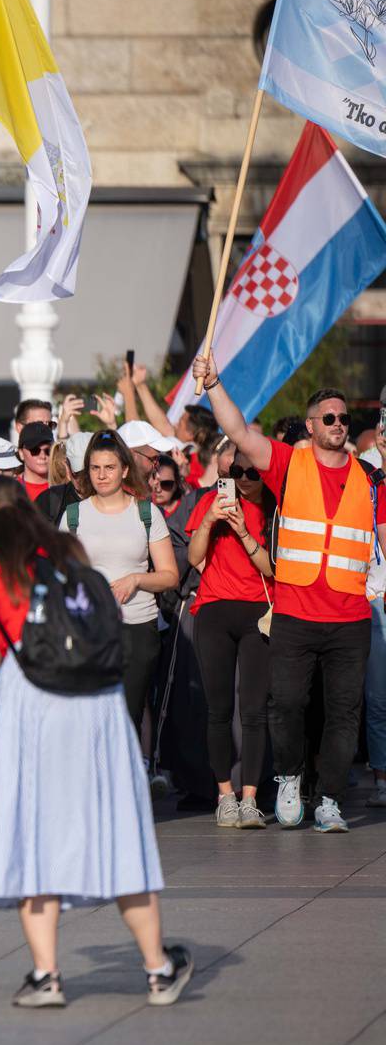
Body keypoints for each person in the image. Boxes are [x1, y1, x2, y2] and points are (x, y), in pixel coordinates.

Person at [0, 476, 193, 1009]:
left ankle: (47, 975)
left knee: (34, 835)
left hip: (33, 706)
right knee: (118, 833)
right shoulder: (70, 552)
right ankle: (158, 968)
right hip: (99, 706)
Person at [196, 353, 386, 831]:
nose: (339, 424)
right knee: (285, 705)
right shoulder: (288, 464)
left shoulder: (370, 481)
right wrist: (215, 384)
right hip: (296, 612)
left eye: (345, 418)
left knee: (345, 713)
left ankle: (330, 801)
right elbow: (239, 433)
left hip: (350, 616)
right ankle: (287, 778)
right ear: (311, 425)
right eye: (330, 418)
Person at [59, 429, 177, 728]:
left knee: (126, 721)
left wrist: (136, 579)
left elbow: (169, 576)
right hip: (89, 630)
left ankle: (129, 775)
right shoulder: (74, 516)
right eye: (95, 468)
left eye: (109, 467)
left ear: (125, 469)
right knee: (90, 722)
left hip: (137, 629)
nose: (101, 475)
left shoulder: (146, 513)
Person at [185, 445, 274, 828]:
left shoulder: (273, 507)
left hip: (259, 611)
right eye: (237, 473)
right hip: (214, 609)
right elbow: (193, 558)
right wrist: (209, 520)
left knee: (254, 709)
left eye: (253, 474)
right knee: (218, 709)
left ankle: (250, 797)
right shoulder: (211, 500)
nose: (244, 481)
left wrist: (241, 530)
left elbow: (271, 568)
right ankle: (225, 796)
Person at [16, 423, 54, 501]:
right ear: (21, 453)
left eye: (48, 450)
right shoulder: (11, 490)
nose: (43, 456)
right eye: (35, 450)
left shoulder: (64, 485)